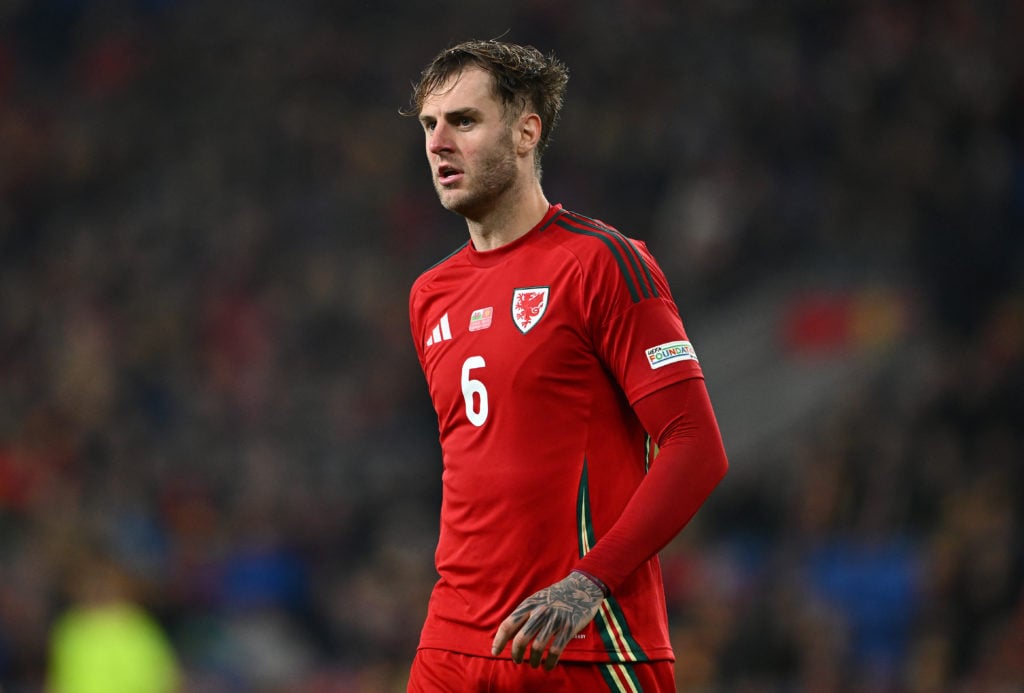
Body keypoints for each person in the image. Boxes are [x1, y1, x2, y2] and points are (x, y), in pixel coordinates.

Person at [403, 39, 728, 692]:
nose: (439, 142)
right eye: (429, 125)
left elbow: (697, 446)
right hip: (451, 646)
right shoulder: (429, 295)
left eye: (463, 121)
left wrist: (589, 583)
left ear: (527, 132)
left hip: (581, 645)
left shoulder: (601, 263)